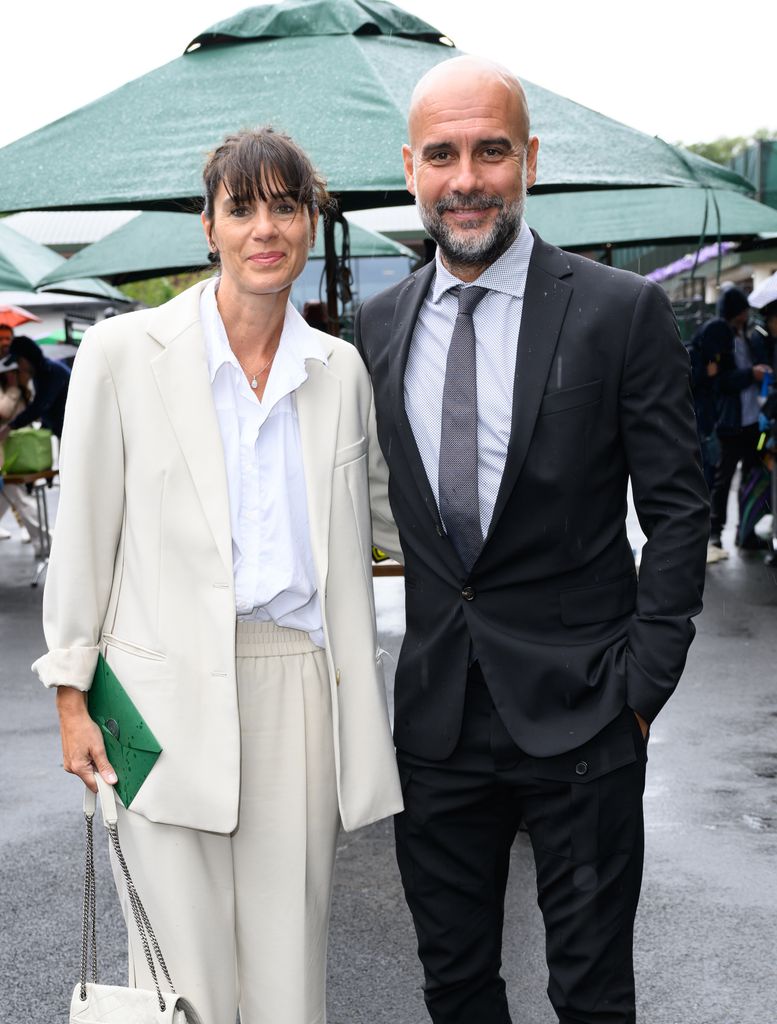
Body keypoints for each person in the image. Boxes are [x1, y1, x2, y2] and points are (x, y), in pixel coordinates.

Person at [355, 56, 709, 1024]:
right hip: (436, 724)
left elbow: (679, 504)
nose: (466, 177)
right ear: (412, 169)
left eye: (490, 150)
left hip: (588, 709)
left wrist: (646, 681)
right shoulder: (376, 325)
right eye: (443, 155)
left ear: (530, 161)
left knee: (592, 993)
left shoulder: (617, 308)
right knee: (456, 984)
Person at [32, 127, 401, 1024]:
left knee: (287, 973)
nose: (264, 229)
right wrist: (72, 696)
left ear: (311, 225)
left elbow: (385, 521)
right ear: (209, 226)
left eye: (285, 206)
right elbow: (81, 533)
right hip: (149, 700)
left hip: (297, 689)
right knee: (178, 981)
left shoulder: (340, 370)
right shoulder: (123, 357)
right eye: (243, 209)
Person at [707, 286, 772, 556]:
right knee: (724, 479)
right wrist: (750, 375)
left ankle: (744, 531)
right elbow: (719, 381)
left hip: (752, 423)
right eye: (743, 309)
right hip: (731, 424)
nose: (747, 314)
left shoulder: (748, 336)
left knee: (750, 475)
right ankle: (715, 532)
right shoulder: (720, 337)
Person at [0, 355, 41, 545]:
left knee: (12, 493)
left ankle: (39, 537)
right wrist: (14, 388)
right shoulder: (9, 389)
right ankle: (42, 538)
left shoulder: (23, 390)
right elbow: (4, 411)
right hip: (6, 452)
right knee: (16, 495)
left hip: (17, 451)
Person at [0, 334, 70, 442]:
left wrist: (10, 427)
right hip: (62, 431)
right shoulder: (40, 373)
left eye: (19, 361)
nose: (19, 367)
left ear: (28, 358)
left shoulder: (51, 373)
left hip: (72, 431)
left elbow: (39, 406)